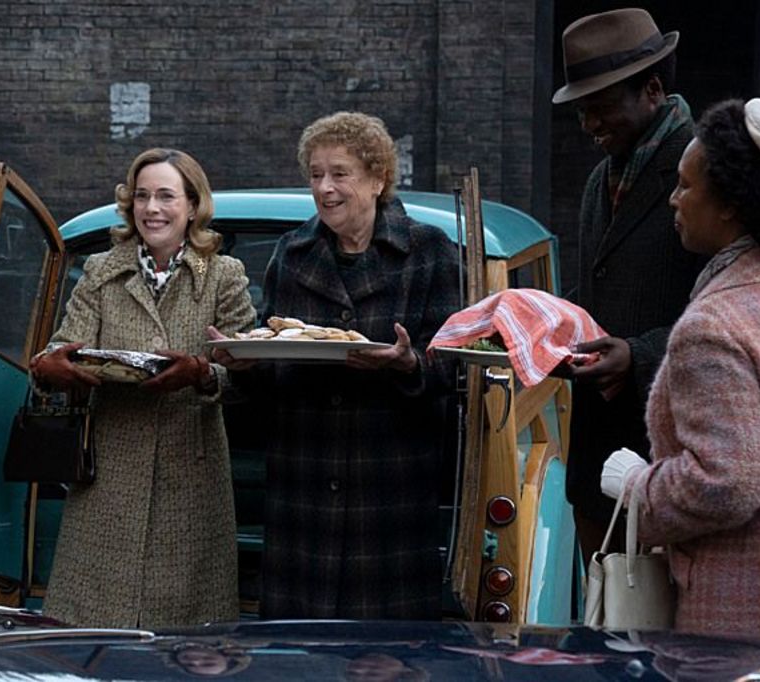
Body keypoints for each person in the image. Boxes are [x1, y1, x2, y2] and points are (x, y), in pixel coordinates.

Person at [214, 111, 461, 620]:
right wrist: (243, 364)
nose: (325, 188)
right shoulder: (292, 253)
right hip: (306, 487)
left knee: (388, 661)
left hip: (387, 489)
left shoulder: (429, 252)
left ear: (377, 178)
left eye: (340, 173)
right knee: (302, 652)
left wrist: (406, 363)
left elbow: (454, 370)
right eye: (315, 174)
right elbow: (274, 367)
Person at [31, 148, 257, 628]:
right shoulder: (101, 270)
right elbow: (63, 347)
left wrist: (201, 372)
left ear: (193, 206)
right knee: (97, 629)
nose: (152, 208)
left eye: (166, 196)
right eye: (142, 196)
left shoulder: (223, 275)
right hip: (109, 472)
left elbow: (247, 372)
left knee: (187, 640)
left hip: (191, 474)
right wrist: (56, 367)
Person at [600, 98, 760, 634]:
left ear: (731, 203)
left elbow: (726, 483)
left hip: (739, 619)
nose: (672, 199)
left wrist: (638, 485)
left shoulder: (714, 325)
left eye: (686, 185)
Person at [550, 8, 706, 558]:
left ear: (653, 90)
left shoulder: (704, 174)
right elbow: (596, 295)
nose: (589, 124)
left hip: (667, 460)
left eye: (600, 108)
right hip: (597, 459)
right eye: (581, 111)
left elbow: (732, 311)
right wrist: (539, 327)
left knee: (657, 634)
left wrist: (638, 355)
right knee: (605, 626)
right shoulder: (599, 179)